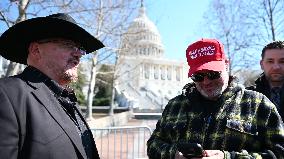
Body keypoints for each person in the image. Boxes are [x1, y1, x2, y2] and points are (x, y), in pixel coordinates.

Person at [147, 38, 284, 159]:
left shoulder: (258, 104)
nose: (206, 82)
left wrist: (228, 157)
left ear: (226, 65)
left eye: (213, 74)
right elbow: (153, 144)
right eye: (198, 76)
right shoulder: (175, 105)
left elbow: (280, 153)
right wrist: (174, 154)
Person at [0, 13, 104, 159]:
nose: (78, 54)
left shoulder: (68, 100)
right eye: (69, 44)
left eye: (80, 48)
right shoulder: (6, 94)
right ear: (36, 50)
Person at [247, 41, 284, 119]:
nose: (276, 67)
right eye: (270, 61)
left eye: (282, 61)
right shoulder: (247, 96)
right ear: (262, 64)